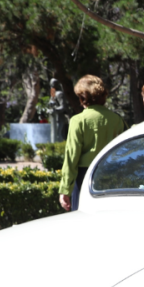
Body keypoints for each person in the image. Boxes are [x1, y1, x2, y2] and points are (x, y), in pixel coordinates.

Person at [59, 75, 126, 212]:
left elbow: (72, 158)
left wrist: (65, 189)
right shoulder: (117, 119)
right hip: (112, 176)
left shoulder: (78, 120)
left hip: (85, 178)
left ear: (82, 97)